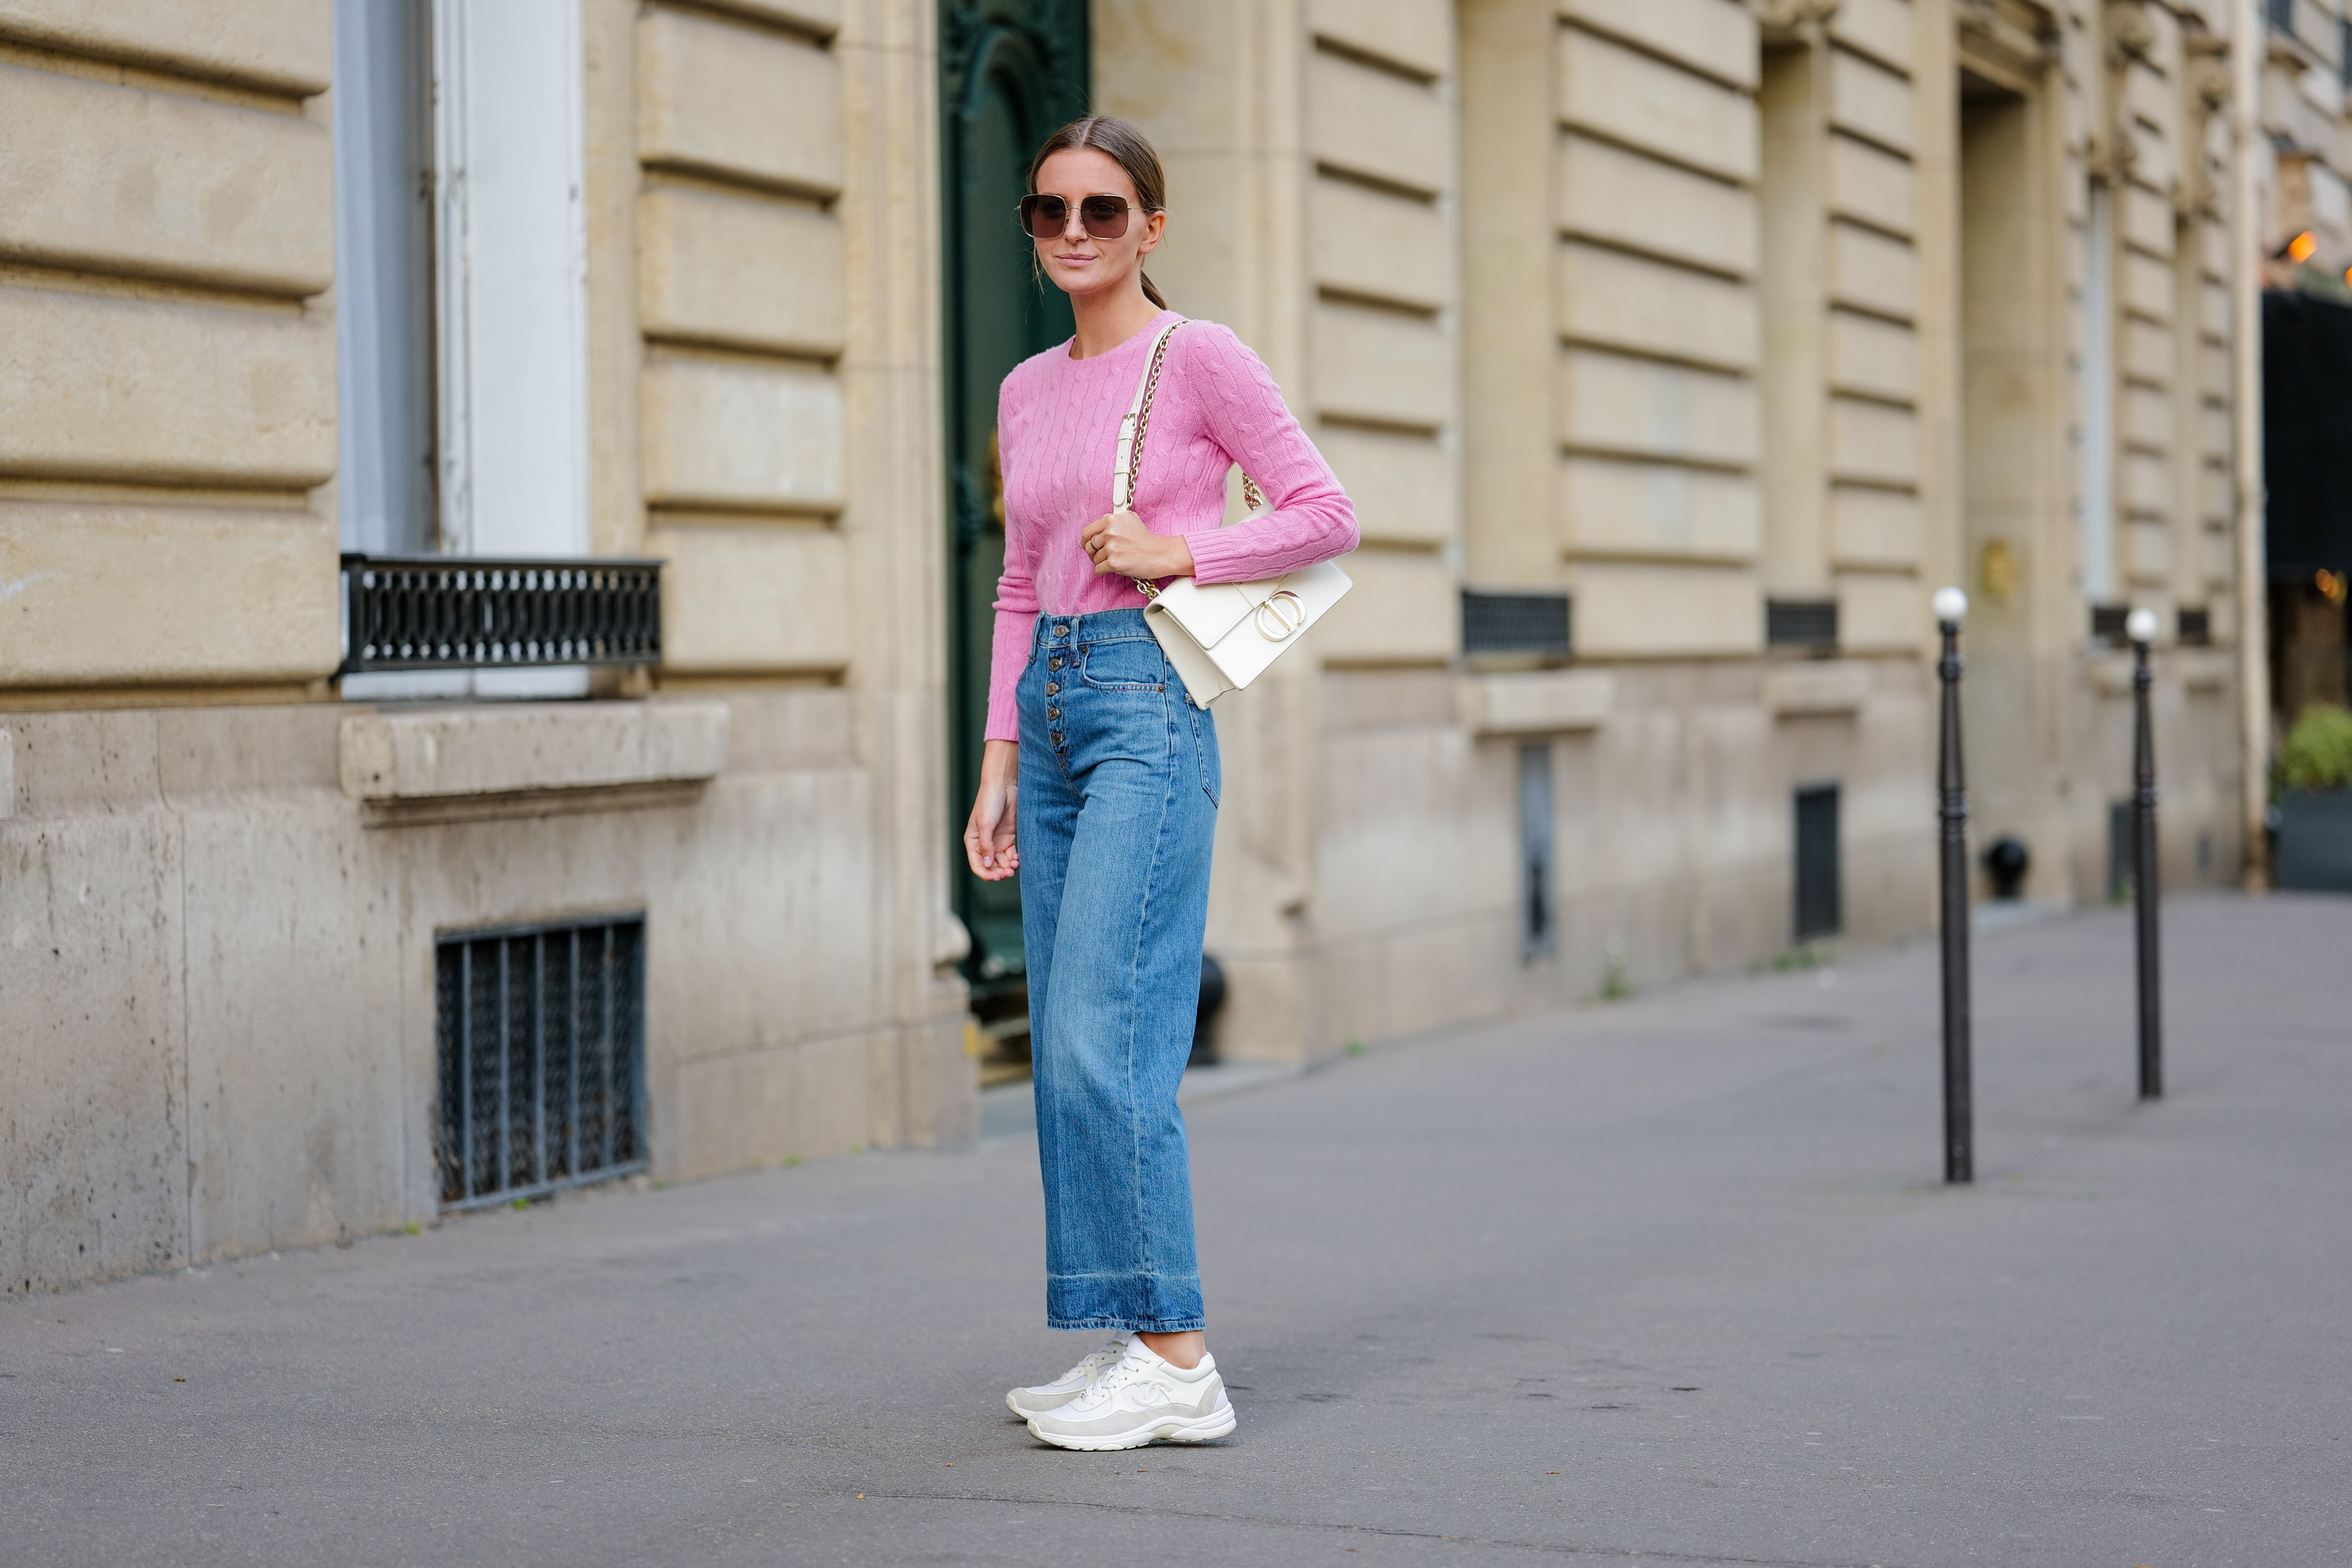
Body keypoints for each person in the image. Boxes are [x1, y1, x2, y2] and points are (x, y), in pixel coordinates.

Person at [962, 115, 1358, 1451]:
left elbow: (1324, 512)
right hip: (1056, 707)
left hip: (1148, 702)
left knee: (1104, 1030)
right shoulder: (1024, 389)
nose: (1076, 233)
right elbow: (1019, 585)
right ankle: (1127, 1332)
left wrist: (1183, 550)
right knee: (1064, 1046)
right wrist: (999, 760)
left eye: (1104, 211)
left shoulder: (1201, 359)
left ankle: (1181, 1356)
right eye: (1052, 212)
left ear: (1151, 226)